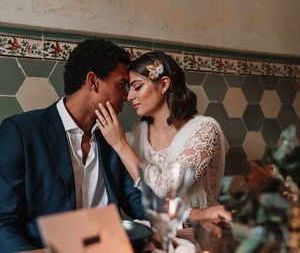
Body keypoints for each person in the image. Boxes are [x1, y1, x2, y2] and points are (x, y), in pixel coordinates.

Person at [0, 39, 146, 253]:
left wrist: (190, 216)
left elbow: (140, 206)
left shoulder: (112, 137)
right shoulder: (22, 132)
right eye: (121, 85)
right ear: (93, 81)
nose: (127, 95)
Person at [95, 51, 231, 227]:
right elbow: (142, 196)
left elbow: (165, 189)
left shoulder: (205, 129)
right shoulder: (139, 131)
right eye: (129, 88)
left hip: (203, 233)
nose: (129, 97)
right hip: (159, 233)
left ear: (164, 84)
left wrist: (120, 144)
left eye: (137, 87)